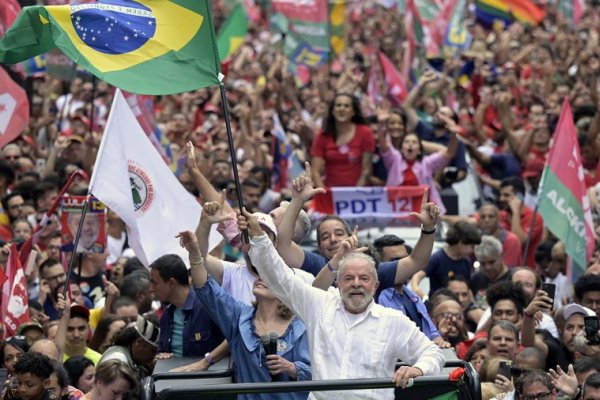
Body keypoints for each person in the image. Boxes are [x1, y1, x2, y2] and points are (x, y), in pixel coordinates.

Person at [239, 209, 445, 399]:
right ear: (337, 283)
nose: (356, 284)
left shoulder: (392, 320)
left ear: (375, 285)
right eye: (348, 278)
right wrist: (259, 237)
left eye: (364, 279)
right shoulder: (319, 305)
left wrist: (417, 369)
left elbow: (433, 353)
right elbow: (279, 277)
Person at [178, 229, 312, 397]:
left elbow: (317, 374)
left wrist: (291, 368)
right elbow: (205, 288)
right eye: (260, 274)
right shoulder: (240, 316)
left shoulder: (300, 327)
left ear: (284, 289)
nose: (260, 278)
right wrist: (194, 253)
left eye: (269, 276)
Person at [148, 253, 225, 359]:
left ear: (171, 283)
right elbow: (161, 351)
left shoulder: (208, 307)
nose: (150, 289)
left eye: (155, 283)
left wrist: (207, 361)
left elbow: (231, 341)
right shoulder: (167, 314)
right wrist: (162, 357)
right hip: (172, 374)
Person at [379, 125, 458, 215]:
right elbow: (384, 146)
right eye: (407, 142)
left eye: (414, 142)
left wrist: (454, 134)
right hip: (395, 212)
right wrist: (381, 124)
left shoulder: (427, 162)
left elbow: (449, 153)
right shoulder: (394, 159)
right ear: (401, 148)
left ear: (419, 150)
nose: (410, 144)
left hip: (423, 212)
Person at [310, 93, 375, 187]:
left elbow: (366, 171)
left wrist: (354, 195)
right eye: (338, 105)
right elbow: (315, 172)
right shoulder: (322, 135)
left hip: (358, 195)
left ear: (353, 112)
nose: (342, 108)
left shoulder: (365, 132)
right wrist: (324, 195)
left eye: (346, 106)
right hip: (329, 193)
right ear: (332, 111)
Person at [411, 221, 482, 298]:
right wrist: (416, 288)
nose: (473, 251)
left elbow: (468, 288)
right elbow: (417, 275)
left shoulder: (466, 261)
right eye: (472, 247)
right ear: (460, 243)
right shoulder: (437, 258)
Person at [99, 316, 159, 383]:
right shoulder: (118, 359)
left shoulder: (135, 361)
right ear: (139, 342)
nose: (154, 356)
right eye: (153, 351)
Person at [471, 235, 511, 305]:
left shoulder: (512, 278)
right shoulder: (476, 279)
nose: (487, 267)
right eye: (483, 263)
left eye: (492, 262)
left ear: (501, 257)